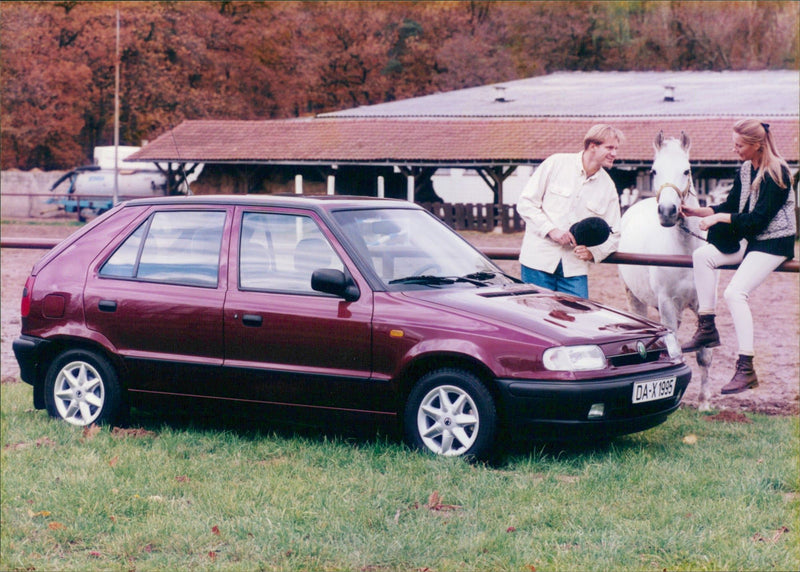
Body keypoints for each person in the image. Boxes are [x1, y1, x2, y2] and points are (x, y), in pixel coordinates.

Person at [681, 119, 796, 394]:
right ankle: (707, 326)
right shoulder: (746, 169)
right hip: (753, 239)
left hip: (774, 243)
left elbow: (757, 220)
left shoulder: (777, 171)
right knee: (703, 257)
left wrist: (720, 218)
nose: (735, 149)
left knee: (735, 293)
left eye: (739, 145)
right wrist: (701, 212)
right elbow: (733, 206)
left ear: (757, 145)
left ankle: (746, 368)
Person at [517, 124, 623, 298]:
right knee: (536, 319)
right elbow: (526, 203)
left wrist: (593, 253)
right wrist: (551, 230)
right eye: (609, 148)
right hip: (537, 262)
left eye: (616, 149)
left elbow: (615, 234)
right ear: (592, 146)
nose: (614, 154)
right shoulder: (555, 163)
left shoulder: (608, 187)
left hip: (574, 268)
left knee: (576, 319)